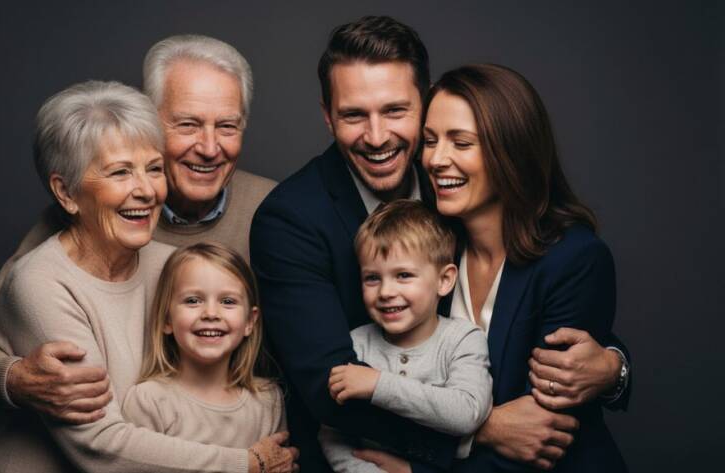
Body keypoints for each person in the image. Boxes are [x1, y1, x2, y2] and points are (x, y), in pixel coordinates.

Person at [250, 16, 630, 472]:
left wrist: (614, 368)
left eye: (395, 111)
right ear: (328, 116)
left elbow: (564, 336)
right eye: (354, 114)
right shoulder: (291, 218)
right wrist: (480, 427)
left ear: (425, 102)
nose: (376, 137)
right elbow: (331, 391)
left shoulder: (452, 195)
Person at [0, 35, 275, 426]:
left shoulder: (275, 211)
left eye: (228, 126)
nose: (210, 147)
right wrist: (15, 378)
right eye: (187, 124)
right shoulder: (88, 215)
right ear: (149, 123)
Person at [0, 80, 296, 473]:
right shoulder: (40, 283)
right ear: (66, 193)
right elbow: (99, 446)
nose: (146, 190)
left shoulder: (172, 265)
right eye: (120, 173)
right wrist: (247, 464)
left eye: (153, 168)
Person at [422, 64, 627, 472]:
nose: (436, 159)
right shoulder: (426, 246)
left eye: (461, 143)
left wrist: (412, 468)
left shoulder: (574, 259)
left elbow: (540, 436)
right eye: (429, 141)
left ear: (510, 150)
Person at [318, 200, 493, 472]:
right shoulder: (355, 345)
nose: (386, 291)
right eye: (372, 278)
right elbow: (332, 433)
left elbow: (466, 412)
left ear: (444, 280)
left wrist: (378, 384)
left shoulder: (463, 340)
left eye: (403, 275)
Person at [123, 242, 296, 472]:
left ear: (249, 322)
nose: (211, 314)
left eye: (228, 301)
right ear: (166, 319)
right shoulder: (149, 401)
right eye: (193, 300)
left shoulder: (268, 400)